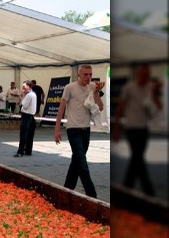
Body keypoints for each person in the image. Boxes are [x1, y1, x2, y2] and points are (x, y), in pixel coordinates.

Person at [53, 65, 104, 198]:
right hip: (73, 129)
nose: (88, 77)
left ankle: (67, 190)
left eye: (90, 74)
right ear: (79, 75)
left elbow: (101, 107)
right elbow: (61, 109)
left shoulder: (92, 87)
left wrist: (96, 92)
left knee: (77, 160)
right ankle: (92, 195)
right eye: (85, 74)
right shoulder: (70, 88)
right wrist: (57, 129)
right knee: (82, 162)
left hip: (86, 129)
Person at [113, 64, 162, 196]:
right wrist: (116, 128)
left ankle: (126, 187)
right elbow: (120, 108)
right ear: (138, 74)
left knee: (137, 158)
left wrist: (156, 92)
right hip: (131, 128)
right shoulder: (129, 87)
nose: (144, 77)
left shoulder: (150, 88)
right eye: (142, 74)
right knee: (138, 157)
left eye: (147, 75)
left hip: (143, 128)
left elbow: (158, 105)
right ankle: (148, 191)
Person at [15, 81, 36, 157]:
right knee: (30, 135)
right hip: (31, 116)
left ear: (29, 86)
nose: (23, 88)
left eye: (24, 87)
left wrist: (23, 96)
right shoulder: (33, 94)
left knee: (23, 134)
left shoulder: (29, 95)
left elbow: (24, 105)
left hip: (26, 116)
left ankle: (20, 151)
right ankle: (28, 150)